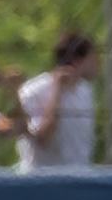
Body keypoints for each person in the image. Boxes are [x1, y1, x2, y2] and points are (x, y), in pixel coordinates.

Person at [17, 31, 95, 169]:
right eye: (92, 58)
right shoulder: (33, 90)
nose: (97, 63)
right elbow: (43, 140)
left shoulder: (84, 91)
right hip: (43, 179)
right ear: (78, 62)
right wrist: (57, 91)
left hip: (80, 177)